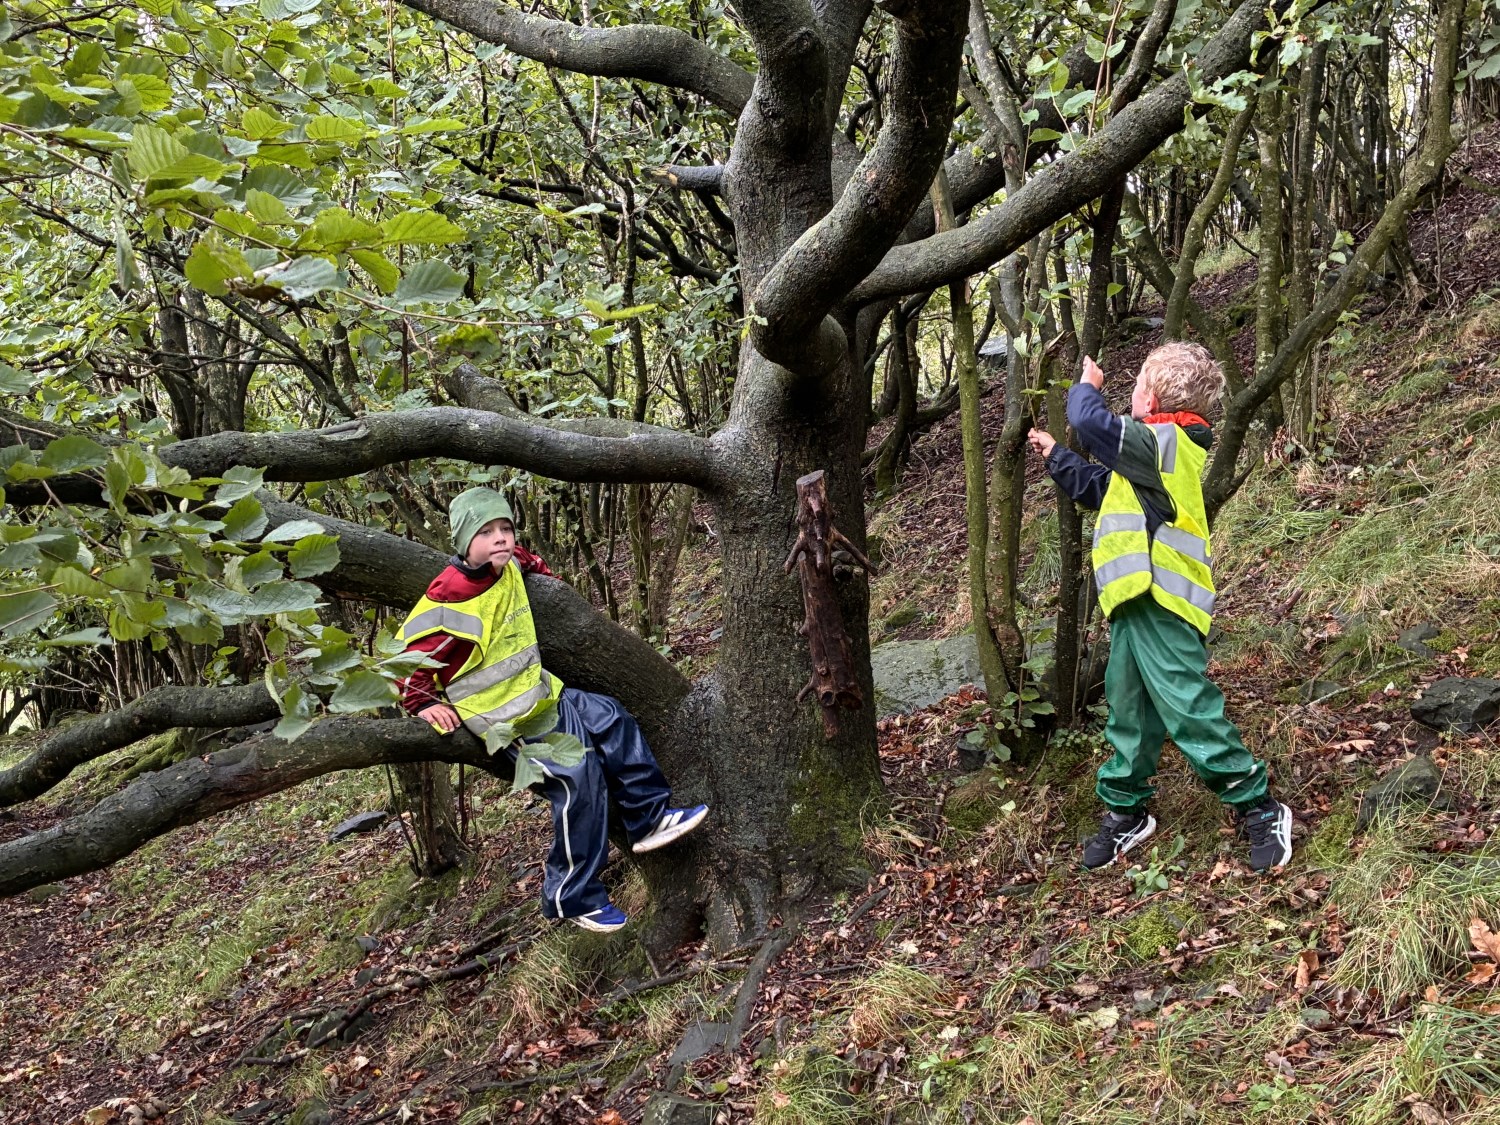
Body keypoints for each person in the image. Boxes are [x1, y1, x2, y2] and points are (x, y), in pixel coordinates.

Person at [1027, 343, 1293, 873]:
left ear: (1151, 398)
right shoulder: (1150, 455)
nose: (1129, 396)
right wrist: (1057, 455)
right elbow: (1101, 489)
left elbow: (1089, 419)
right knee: (1130, 710)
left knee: (1186, 705)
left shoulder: (1162, 441)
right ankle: (1126, 811)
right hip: (1134, 602)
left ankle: (1258, 805)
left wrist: (1087, 387)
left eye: (1136, 386)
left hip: (1162, 600)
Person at [397, 487, 707, 931]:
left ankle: (648, 818)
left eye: (505, 528)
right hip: (506, 720)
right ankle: (571, 894)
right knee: (577, 778)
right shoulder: (448, 599)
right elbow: (409, 658)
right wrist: (422, 702)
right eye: (485, 532)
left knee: (611, 717)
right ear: (464, 542)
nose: (500, 538)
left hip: (544, 696)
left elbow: (530, 562)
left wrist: (546, 575)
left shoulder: (508, 565)